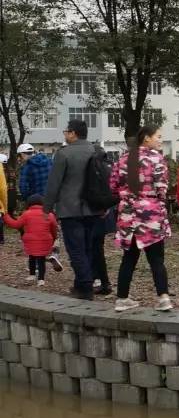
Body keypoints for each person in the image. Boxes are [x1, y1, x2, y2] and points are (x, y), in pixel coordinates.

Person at [109, 125, 173, 313]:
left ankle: (122, 299)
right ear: (146, 138)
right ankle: (163, 297)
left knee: (129, 258)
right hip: (150, 214)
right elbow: (162, 187)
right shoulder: (157, 158)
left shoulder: (123, 159)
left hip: (128, 214)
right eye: (158, 136)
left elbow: (112, 185)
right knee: (156, 259)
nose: (160, 140)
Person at [42, 120, 100, 300]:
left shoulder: (64, 154)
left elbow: (54, 183)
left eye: (66, 131)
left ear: (73, 133)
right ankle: (80, 283)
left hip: (70, 208)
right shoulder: (96, 150)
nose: (65, 134)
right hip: (93, 207)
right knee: (88, 247)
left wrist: (47, 207)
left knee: (76, 250)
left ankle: (86, 287)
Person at [3, 195, 58, 286]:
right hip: (45, 240)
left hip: (30, 241)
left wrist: (5, 216)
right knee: (41, 260)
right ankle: (41, 279)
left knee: (31, 257)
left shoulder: (26, 214)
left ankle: (32, 275)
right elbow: (54, 227)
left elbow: (16, 224)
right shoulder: (49, 214)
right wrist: (54, 238)